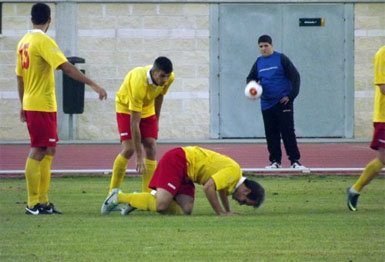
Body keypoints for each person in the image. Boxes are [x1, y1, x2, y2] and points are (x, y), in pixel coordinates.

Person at [16, 3, 107, 215]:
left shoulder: (23, 42)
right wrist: (93, 84)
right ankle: (32, 203)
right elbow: (66, 67)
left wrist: (22, 104)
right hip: (41, 105)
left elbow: (19, 77)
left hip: (34, 103)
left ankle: (43, 202)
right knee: (39, 149)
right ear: (49, 21)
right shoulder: (43, 40)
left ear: (31, 19)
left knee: (49, 149)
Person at [101, 146, 265, 216]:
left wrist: (227, 210)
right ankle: (118, 197)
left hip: (187, 174)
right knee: (161, 205)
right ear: (247, 191)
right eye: (245, 202)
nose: (241, 203)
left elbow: (221, 189)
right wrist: (221, 213)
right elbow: (209, 188)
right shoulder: (234, 171)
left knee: (185, 210)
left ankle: (137, 201)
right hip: (178, 160)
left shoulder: (233, 178)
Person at [108, 57, 174, 196]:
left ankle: (148, 194)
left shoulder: (170, 77)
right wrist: (139, 157)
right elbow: (134, 122)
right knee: (129, 149)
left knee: (151, 145)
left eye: (167, 76)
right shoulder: (139, 83)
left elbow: (160, 96)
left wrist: (156, 120)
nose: (165, 80)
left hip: (148, 106)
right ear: (154, 72)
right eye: (162, 76)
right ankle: (112, 193)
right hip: (126, 108)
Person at [246, 35, 305, 169]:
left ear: (272, 45)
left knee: (287, 132)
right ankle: (275, 162)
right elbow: (250, 78)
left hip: (283, 103)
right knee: (271, 134)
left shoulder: (281, 58)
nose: (263, 49)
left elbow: (295, 77)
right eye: (261, 46)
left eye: (266, 45)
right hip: (266, 104)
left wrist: (291, 96)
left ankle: (295, 161)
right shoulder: (259, 62)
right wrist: (252, 88)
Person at [347, 45, 385, 211]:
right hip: (384, 117)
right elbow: (383, 88)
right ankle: (355, 190)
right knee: (383, 158)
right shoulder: (382, 54)